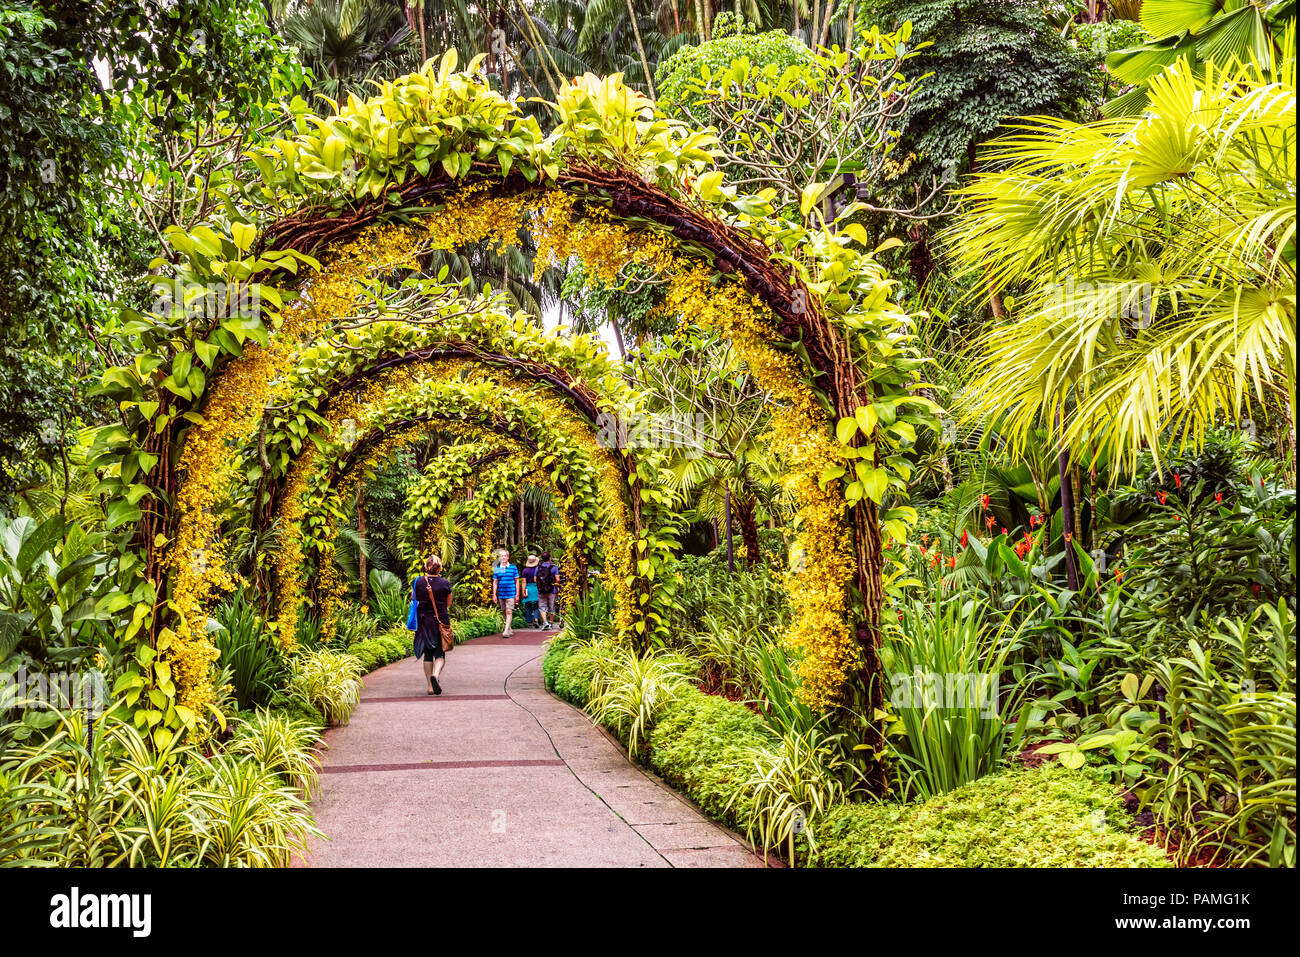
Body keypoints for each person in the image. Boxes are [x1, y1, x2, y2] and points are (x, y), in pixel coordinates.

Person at [413, 555, 453, 695]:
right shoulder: (445, 583)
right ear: (439, 568)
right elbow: (449, 603)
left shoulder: (418, 582)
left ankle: (430, 687)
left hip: (424, 621)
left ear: (426, 567)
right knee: (440, 653)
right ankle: (435, 675)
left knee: (427, 654)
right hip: (440, 620)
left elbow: (414, 599)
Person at [491, 549, 523, 638]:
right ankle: (509, 627)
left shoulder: (513, 568)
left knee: (509, 611)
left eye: (505, 556)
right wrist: (494, 594)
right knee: (504, 611)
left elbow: (517, 581)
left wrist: (517, 594)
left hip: (511, 593)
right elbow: (495, 582)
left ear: (508, 557)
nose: (503, 557)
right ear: (499, 558)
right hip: (501, 594)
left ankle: (506, 630)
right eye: (501, 556)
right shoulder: (497, 569)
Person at [536, 551, 561, 631]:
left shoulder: (538, 568)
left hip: (541, 591)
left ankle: (545, 622)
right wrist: (555, 586)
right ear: (550, 558)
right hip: (552, 590)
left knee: (542, 607)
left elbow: (534, 579)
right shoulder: (554, 568)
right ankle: (550, 623)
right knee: (552, 607)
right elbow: (558, 579)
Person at [521, 554, 541, 628]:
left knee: (528, 606)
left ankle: (529, 622)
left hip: (528, 588)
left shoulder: (525, 570)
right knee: (537, 606)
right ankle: (536, 619)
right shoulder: (538, 569)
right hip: (536, 588)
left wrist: (523, 591)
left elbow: (523, 582)